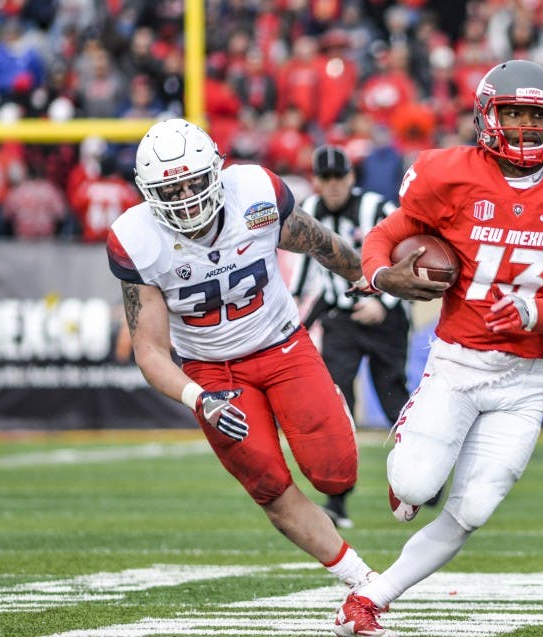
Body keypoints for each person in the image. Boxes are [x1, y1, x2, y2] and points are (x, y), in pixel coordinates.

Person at [334, 60, 543, 637]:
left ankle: (371, 599)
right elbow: (384, 237)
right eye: (513, 113)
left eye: (536, 115)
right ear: (487, 116)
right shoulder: (447, 175)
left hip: (528, 377)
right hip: (460, 363)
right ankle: (407, 465)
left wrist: (534, 311)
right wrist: (380, 276)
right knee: (416, 486)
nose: (524, 127)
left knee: (473, 510)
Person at [106, 119, 377, 595]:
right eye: (171, 190)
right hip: (211, 371)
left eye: (193, 182)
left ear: (216, 171)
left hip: (281, 345)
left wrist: (363, 273)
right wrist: (198, 398)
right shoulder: (137, 238)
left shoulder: (253, 191)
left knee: (336, 474)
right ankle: (359, 578)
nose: (187, 198)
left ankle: (329, 406)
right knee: (268, 483)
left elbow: (316, 240)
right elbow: (149, 350)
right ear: (149, 194)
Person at [290, 145, 408, 530]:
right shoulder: (310, 210)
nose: (333, 185)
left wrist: (385, 304)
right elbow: (305, 272)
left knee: (393, 397)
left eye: (339, 176)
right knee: (338, 403)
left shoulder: (377, 208)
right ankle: (337, 501)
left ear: (351, 177)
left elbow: (406, 255)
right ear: (316, 181)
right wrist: (295, 323)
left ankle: (420, 478)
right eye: (325, 178)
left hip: (384, 318)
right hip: (340, 318)